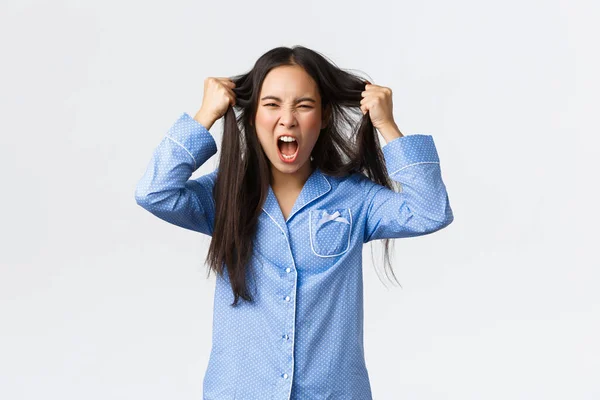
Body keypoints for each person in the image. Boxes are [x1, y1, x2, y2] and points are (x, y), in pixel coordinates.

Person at [135, 45, 454, 400]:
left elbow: (430, 211)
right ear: (253, 115)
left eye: (303, 105)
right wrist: (204, 115)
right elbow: (154, 192)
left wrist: (386, 124)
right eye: (272, 105)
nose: (287, 119)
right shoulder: (224, 194)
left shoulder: (355, 198)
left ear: (325, 116)